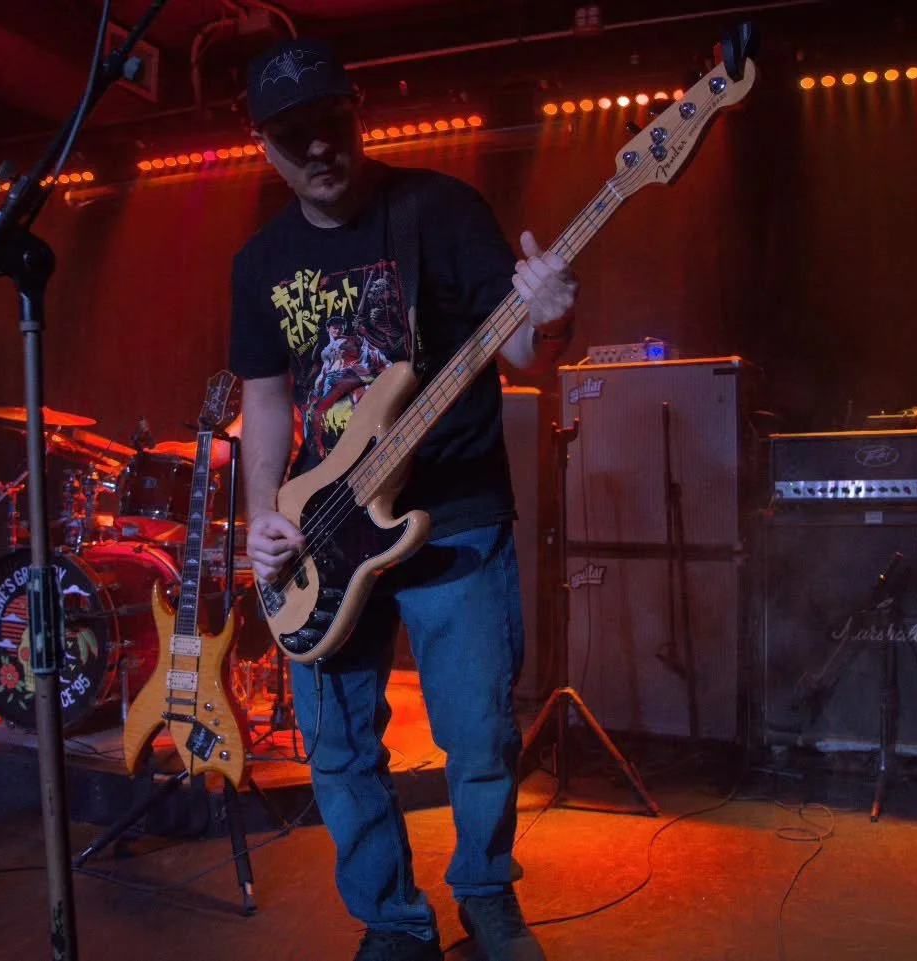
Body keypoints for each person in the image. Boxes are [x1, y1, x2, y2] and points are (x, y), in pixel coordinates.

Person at [228, 38, 577, 961]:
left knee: (480, 737)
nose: (318, 150)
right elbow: (266, 399)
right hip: (326, 530)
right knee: (340, 750)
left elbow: (523, 353)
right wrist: (265, 514)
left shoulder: (442, 212)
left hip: (455, 512)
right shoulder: (260, 261)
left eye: (331, 125)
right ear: (263, 143)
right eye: (293, 135)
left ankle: (487, 895)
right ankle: (392, 920)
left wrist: (550, 314)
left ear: (359, 113)